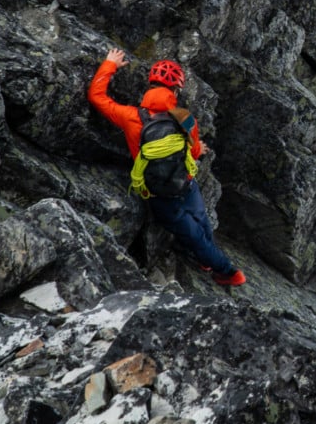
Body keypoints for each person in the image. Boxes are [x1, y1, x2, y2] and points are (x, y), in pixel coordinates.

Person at [88, 48, 246, 286]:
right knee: (200, 224)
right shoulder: (184, 117)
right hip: (186, 184)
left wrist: (110, 63)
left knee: (192, 233)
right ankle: (221, 269)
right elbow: (191, 151)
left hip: (158, 193)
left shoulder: (130, 117)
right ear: (175, 90)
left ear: (150, 87)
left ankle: (220, 266)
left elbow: (97, 96)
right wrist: (199, 150)